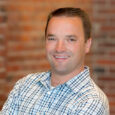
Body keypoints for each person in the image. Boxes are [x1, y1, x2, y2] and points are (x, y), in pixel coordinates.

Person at [1, 7, 109, 115]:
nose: (59, 48)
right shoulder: (25, 85)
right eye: (52, 39)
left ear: (87, 45)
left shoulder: (91, 102)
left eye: (70, 39)